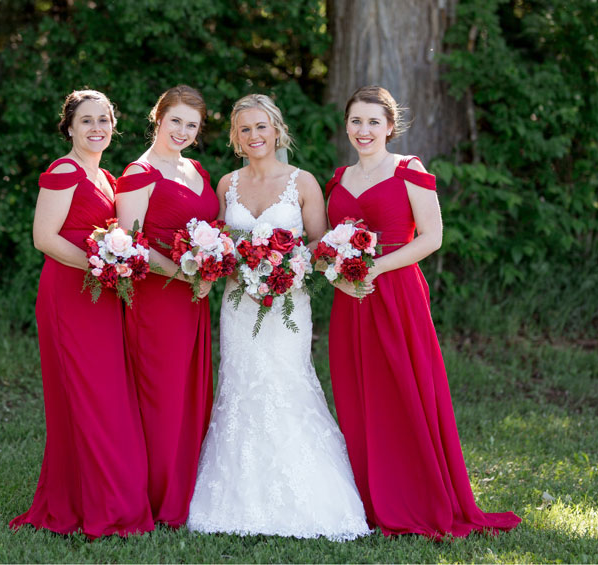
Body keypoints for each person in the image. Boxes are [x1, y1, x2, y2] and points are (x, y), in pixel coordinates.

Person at [326, 85, 522, 538]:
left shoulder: (409, 170)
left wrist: (375, 267)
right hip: (351, 300)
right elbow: (327, 244)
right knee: (360, 395)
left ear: (390, 127)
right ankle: (371, 499)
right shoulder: (337, 180)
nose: (364, 130)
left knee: (407, 390)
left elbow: (431, 237)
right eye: (356, 121)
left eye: (374, 121)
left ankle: (417, 496)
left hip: (396, 293)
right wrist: (337, 273)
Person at [186, 94, 372, 541]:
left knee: (287, 382)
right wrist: (228, 263)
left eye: (262, 127)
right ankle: (234, 498)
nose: (255, 136)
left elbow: (319, 245)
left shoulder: (303, 182)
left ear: (277, 130)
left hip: (288, 305)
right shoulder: (227, 184)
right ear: (236, 136)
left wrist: (286, 265)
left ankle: (309, 499)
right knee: (240, 384)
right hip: (238, 305)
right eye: (245, 129)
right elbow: (215, 243)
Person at [9, 90, 153, 538]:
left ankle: (89, 498)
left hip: (102, 295)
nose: (97, 128)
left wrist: (115, 265)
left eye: (104, 120)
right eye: (86, 120)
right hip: (69, 297)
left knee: (104, 395)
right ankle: (92, 508)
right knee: (87, 396)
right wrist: (103, 264)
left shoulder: (108, 177)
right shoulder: (63, 170)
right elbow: (44, 238)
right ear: (69, 127)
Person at [115, 85, 218, 527]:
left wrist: (210, 269)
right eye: (175, 120)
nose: (182, 131)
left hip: (195, 299)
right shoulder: (138, 173)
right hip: (158, 299)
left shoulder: (195, 168)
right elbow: (127, 246)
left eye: (191, 125)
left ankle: (187, 489)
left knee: (191, 395)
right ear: (158, 117)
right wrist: (185, 273)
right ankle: (157, 498)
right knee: (162, 396)